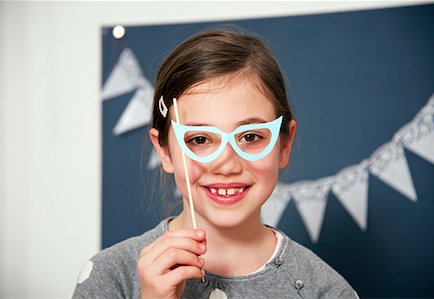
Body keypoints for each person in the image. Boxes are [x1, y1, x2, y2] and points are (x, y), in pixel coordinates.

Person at [73, 27, 358, 299]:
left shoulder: (325, 290)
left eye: (250, 136)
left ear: (284, 145)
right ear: (165, 152)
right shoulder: (111, 277)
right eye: (199, 139)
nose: (226, 164)